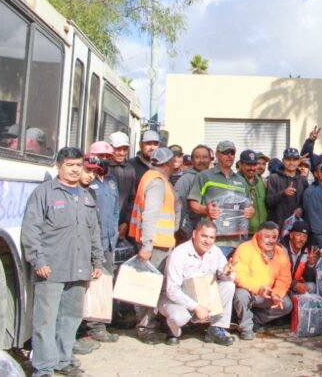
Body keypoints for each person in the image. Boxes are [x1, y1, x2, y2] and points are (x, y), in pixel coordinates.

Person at [22, 147, 104, 377]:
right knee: (45, 321)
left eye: (79, 165)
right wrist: (38, 261)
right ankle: (44, 367)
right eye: (70, 165)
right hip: (51, 269)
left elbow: (93, 231)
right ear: (59, 166)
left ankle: (63, 360)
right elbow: (31, 231)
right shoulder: (44, 193)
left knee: (71, 318)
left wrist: (97, 262)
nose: (75, 169)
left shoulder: (86, 195)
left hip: (79, 269)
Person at [128, 147, 181, 344]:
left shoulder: (152, 177)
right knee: (150, 287)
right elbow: (150, 214)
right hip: (156, 244)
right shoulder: (157, 183)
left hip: (158, 242)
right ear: (168, 163)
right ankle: (145, 327)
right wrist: (147, 245)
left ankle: (149, 324)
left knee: (153, 286)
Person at [159, 220, 236, 346]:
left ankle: (216, 328)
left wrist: (227, 273)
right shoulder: (179, 254)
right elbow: (172, 290)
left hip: (203, 295)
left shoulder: (215, 251)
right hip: (176, 299)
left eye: (211, 237)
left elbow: (228, 277)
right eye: (204, 236)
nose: (207, 241)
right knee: (178, 318)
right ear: (194, 234)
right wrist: (196, 307)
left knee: (228, 285)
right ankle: (172, 330)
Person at [187, 141, 255, 257]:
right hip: (212, 241)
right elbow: (192, 203)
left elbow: (249, 206)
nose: (229, 156)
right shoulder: (204, 176)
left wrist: (251, 211)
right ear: (217, 154)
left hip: (236, 242)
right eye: (225, 152)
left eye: (232, 153)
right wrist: (206, 210)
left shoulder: (241, 180)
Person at [84, 145, 120, 343]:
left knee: (104, 283)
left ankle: (99, 325)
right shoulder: (86, 181)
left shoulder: (112, 181)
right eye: (100, 156)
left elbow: (115, 211)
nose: (104, 160)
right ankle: (90, 327)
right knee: (90, 283)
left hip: (108, 242)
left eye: (107, 156)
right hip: (91, 242)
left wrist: (113, 236)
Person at [232, 221, 293, 339]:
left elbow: (284, 278)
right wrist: (259, 289)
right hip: (251, 293)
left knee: (286, 304)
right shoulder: (244, 249)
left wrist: (277, 294)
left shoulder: (280, 253)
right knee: (240, 295)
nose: (271, 241)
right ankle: (246, 328)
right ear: (258, 236)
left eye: (274, 237)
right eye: (267, 237)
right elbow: (239, 276)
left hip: (268, 295)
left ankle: (255, 320)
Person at [174, 145, 212, 239]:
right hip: (191, 232)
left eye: (205, 157)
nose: (201, 160)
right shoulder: (185, 180)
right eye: (197, 157)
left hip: (210, 232)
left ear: (210, 159)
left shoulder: (215, 178)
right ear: (192, 160)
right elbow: (179, 208)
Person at [265, 147, 309, 225]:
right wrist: (283, 193)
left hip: (296, 225)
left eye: (295, 160)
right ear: (283, 161)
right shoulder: (274, 178)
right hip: (277, 224)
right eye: (288, 159)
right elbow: (269, 201)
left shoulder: (303, 180)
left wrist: (301, 209)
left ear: (299, 161)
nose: (291, 163)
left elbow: (306, 202)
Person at [108, 131, 137, 244]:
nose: (121, 153)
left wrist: (126, 223)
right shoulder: (103, 168)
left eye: (125, 149)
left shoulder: (130, 169)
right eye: (118, 149)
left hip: (122, 224)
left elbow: (132, 198)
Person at [280, 220, 318, 294]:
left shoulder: (306, 252)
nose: (301, 239)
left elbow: (308, 278)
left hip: (295, 286)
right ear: (291, 235)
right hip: (281, 286)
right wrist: (294, 285)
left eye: (304, 236)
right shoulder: (281, 249)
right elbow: (277, 276)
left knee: (312, 286)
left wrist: (310, 265)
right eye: (298, 235)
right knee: (287, 305)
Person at [238, 149, 269, 233]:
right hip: (243, 232)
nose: (252, 168)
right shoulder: (235, 181)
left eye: (254, 164)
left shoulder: (261, 181)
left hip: (261, 232)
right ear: (240, 164)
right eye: (248, 164)